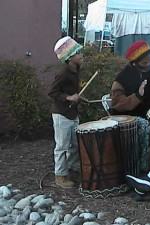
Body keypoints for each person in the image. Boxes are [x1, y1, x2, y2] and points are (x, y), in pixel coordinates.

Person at [110, 40, 150, 173]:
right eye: (144, 62)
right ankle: (141, 169)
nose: (148, 64)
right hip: (129, 117)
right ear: (134, 63)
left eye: (148, 60)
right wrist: (138, 96)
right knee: (144, 126)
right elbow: (117, 103)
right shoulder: (122, 78)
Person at [48, 36, 88, 188]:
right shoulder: (64, 73)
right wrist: (69, 97)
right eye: (78, 53)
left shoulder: (75, 70)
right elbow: (52, 92)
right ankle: (60, 176)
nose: (81, 55)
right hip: (61, 114)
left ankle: (73, 171)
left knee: (75, 145)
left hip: (72, 113)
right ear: (69, 57)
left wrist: (79, 98)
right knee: (62, 146)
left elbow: (73, 93)